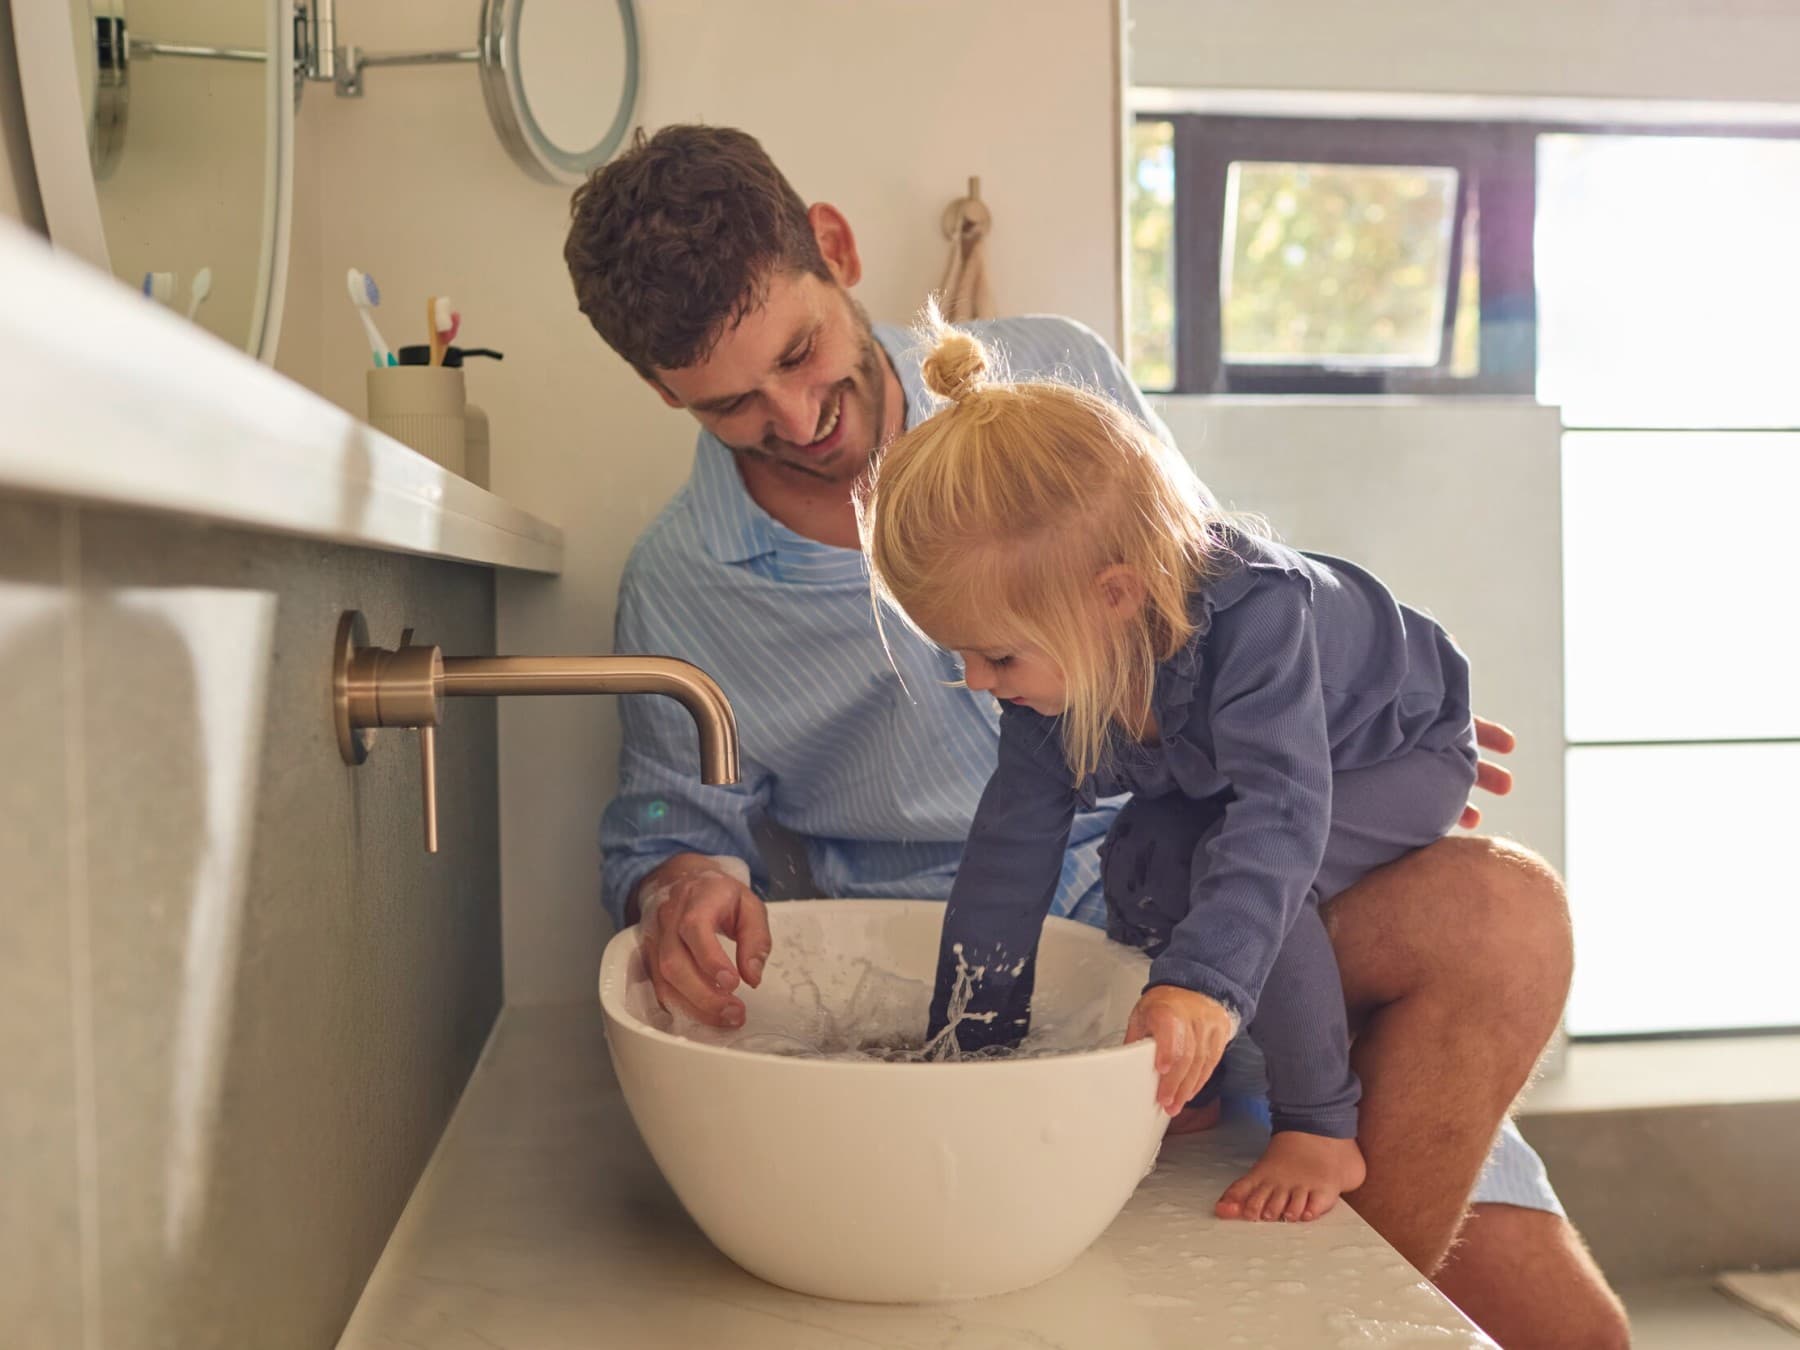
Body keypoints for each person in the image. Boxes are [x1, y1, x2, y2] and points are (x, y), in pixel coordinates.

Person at [565, 124, 1629, 1347]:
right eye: (733, 406)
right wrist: (680, 880)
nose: (799, 417)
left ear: (836, 249)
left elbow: (1202, 614)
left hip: (1227, 906)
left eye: (802, 355)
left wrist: (1351, 719)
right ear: (664, 392)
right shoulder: (680, 584)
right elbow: (666, 810)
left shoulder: (1051, 373)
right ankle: (1323, 1294)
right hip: (1014, 981)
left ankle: (1313, 1186)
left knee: (1510, 950)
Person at [857, 312, 1487, 1224]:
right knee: (1139, 861)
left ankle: (1319, 1124)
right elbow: (1008, 856)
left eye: (996, 657)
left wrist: (1199, 985)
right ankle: (1192, 1082)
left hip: (1397, 750)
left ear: (1112, 598)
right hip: (1258, 769)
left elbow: (1280, 820)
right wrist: (966, 1048)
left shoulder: (1258, 619)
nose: (978, 683)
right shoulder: (1053, 675)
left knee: (1242, 872)